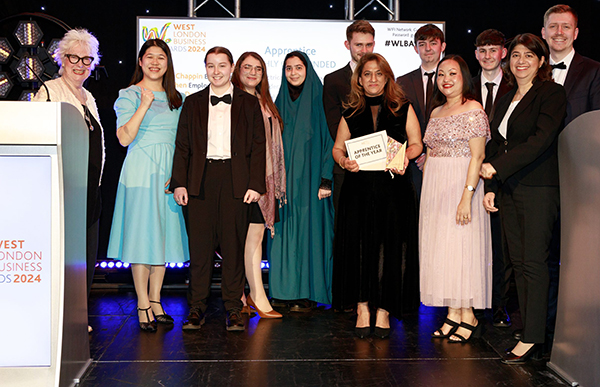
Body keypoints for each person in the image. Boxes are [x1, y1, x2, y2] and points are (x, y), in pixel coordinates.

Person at [480, 33, 566, 363]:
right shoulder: (506, 97)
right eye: (516, 55)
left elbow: (539, 141)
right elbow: (496, 144)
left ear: (541, 61)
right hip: (509, 188)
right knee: (517, 264)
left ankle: (534, 337)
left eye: (529, 55)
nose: (521, 61)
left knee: (533, 263)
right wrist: (491, 188)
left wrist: (495, 169)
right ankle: (529, 329)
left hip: (539, 189)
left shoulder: (551, 94)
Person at [170, 46, 266, 332]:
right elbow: (183, 145)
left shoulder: (249, 104)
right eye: (210, 65)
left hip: (236, 180)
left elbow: (258, 147)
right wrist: (179, 182)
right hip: (201, 179)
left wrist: (256, 185)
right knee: (200, 249)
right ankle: (196, 308)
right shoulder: (194, 102)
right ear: (205, 68)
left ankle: (234, 308)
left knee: (234, 248)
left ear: (231, 67)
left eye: (221, 65)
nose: (216, 71)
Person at [331, 53, 422, 338]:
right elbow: (337, 149)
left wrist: (405, 157)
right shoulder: (349, 112)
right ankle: (362, 308)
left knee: (389, 248)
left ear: (387, 77)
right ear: (359, 79)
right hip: (357, 192)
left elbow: (417, 143)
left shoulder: (402, 108)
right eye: (367, 74)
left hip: (393, 191)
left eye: (378, 74)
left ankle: (384, 310)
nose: (372, 79)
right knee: (359, 248)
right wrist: (344, 162)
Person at [107, 39, 189, 331]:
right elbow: (124, 138)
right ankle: (142, 302)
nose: (155, 62)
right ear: (140, 61)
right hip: (140, 173)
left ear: (168, 63)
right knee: (142, 237)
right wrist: (143, 104)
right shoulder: (128, 95)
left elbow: (183, 143)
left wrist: (180, 174)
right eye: (150, 57)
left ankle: (156, 299)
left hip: (168, 176)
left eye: (161, 57)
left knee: (162, 237)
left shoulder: (177, 97)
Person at [32, 28, 105, 333]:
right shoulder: (49, 91)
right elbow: (34, 138)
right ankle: (57, 318)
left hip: (91, 190)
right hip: (63, 190)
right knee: (63, 257)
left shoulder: (89, 97)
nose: (80, 64)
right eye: (74, 57)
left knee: (84, 258)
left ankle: (77, 316)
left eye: (87, 59)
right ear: (62, 58)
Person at [419, 55, 492, 343]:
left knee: (463, 249)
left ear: (464, 77)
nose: (446, 79)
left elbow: (478, 156)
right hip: (436, 187)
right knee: (443, 250)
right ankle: (452, 311)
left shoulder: (473, 110)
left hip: (463, 185)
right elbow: (429, 156)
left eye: (452, 73)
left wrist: (467, 197)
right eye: (440, 74)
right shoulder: (435, 112)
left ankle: (468, 314)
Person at [541, 4, 600, 350]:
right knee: (543, 255)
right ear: (544, 31)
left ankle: (576, 328)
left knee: (577, 256)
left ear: (576, 33)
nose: (559, 32)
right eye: (553, 26)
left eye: (566, 27)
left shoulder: (593, 71)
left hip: (579, 179)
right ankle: (545, 328)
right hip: (540, 177)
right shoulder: (531, 70)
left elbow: (595, 126)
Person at [268, 51, 334, 311]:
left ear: (308, 70)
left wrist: (326, 179)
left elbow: (331, 140)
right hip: (284, 186)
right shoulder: (278, 103)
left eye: (298, 67)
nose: (293, 73)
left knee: (311, 236)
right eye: (288, 68)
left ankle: (307, 293)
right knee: (283, 235)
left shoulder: (320, 99)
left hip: (312, 185)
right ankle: (283, 292)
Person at [231, 52, 285, 319]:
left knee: (254, 239)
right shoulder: (233, 100)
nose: (253, 72)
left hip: (264, 181)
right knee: (244, 240)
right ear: (237, 70)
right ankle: (252, 297)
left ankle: (247, 296)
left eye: (258, 69)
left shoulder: (265, 102)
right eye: (247, 67)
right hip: (241, 182)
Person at [473, 28, 513, 329]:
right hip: (468, 171)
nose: (488, 56)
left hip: (503, 170)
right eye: (482, 50)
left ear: (503, 53)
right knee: (473, 240)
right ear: (476, 54)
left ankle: (499, 304)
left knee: (501, 242)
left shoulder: (516, 85)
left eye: (493, 50)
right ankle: (472, 299)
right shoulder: (467, 86)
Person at [323, 20, 375, 218]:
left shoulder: (384, 76)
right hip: (346, 165)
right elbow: (334, 125)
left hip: (378, 168)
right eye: (358, 45)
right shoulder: (333, 80)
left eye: (368, 44)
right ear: (348, 45)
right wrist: (361, 154)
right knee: (346, 226)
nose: (364, 50)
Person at [396, 23, 446, 197]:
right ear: (416, 49)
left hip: (445, 161)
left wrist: (432, 154)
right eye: (422, 44)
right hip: (412, 163)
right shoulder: (402, 82)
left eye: (433, 43)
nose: (428, 48)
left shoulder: (454, 80)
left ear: (443, 46)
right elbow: (398, 122)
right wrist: (416, 153)